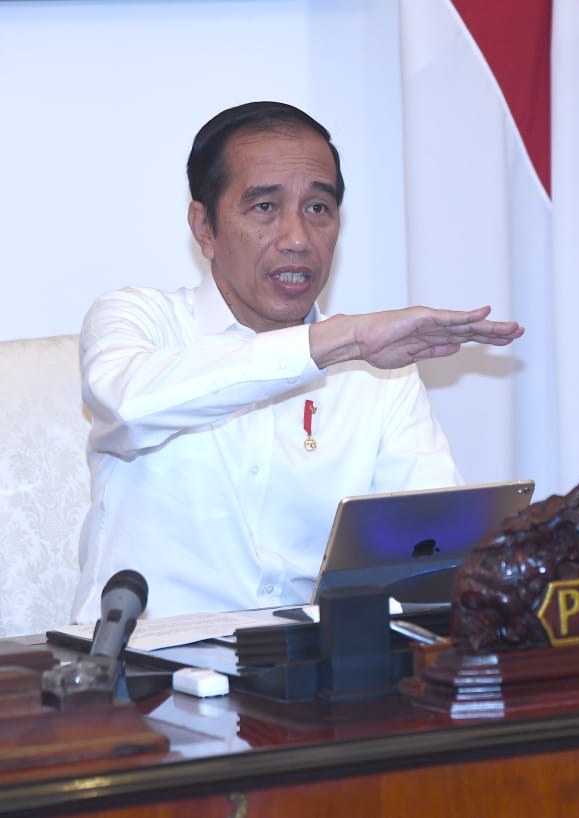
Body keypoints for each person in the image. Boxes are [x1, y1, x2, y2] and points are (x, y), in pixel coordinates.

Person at [70, 101, 523, 623]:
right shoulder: (138, 320)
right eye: (264, 208)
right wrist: (335, 341)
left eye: (317, 209)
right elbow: (127, 408)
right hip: (140, 669)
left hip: (307, 677)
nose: (297, 239)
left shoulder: (380, 369)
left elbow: (433, 547)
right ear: (204, 227)